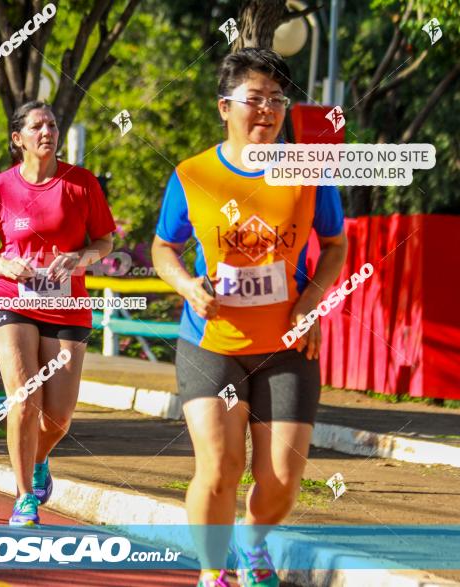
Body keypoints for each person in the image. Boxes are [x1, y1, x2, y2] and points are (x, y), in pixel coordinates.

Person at [150, 48, 348, 587]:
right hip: (210, 342)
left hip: (288, 345)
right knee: (219, 465)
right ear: (224, 107)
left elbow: (335, 245)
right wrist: (188, 285)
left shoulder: (308, 170)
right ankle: (214, 572)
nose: (267, 111)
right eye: (254, 100)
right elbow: (163, 247)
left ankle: (252, 540)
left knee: (281, 479)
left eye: (277, 100)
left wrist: (312, 302)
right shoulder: (193, 174)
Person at [0, 100, 115, 526]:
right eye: (37, 126)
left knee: (59, 416)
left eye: (52, 123)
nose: (47, 131)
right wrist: (3, 264)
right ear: (19, 139)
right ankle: (24, 496)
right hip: (10, 298)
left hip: (66, 305)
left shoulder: (81, 183)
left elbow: (105, 241)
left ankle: (39, 458)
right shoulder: (0, 187)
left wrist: (82, 256)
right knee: (24, 396)